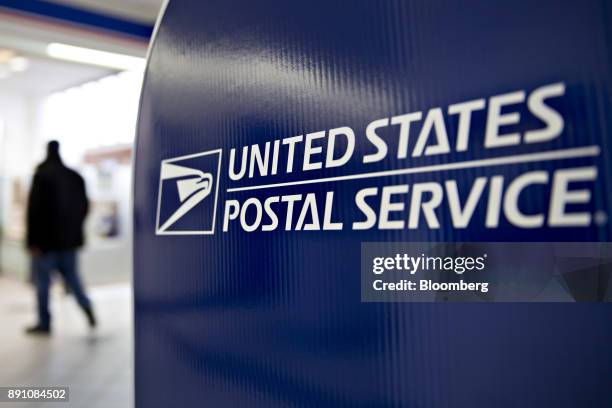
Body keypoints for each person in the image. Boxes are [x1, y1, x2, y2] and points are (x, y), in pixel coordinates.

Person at [25, 140, 96, 335]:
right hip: (68, 243)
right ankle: (87, 307)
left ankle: (44, 323)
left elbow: (34, 211)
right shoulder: (74, 177)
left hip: (45, 245)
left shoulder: (41, 176)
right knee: (73, 280)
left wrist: (32, 242)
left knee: (43, 284)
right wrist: (74, 233)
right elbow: (84, 207)